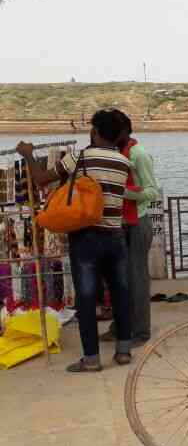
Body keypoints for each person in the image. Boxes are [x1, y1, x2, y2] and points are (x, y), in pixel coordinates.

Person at [16, 109, 134, 372]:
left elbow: (41, 179)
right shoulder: (123, 162)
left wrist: (27, 155)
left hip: (86, 238)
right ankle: (124, 351)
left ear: (94, 132)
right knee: (120, 294)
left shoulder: (80, 156)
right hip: (116, 237)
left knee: (86, 297)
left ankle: (91, 359)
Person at [101, 113, 159, 346]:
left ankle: (141, 331)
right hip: (121, 223)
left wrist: (120, 191)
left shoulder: (139, 155)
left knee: (137, 280)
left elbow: (151, 191)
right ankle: (120, 326)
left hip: (138, 222)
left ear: (123, 131)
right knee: (119, 280)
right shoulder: (118, 154)